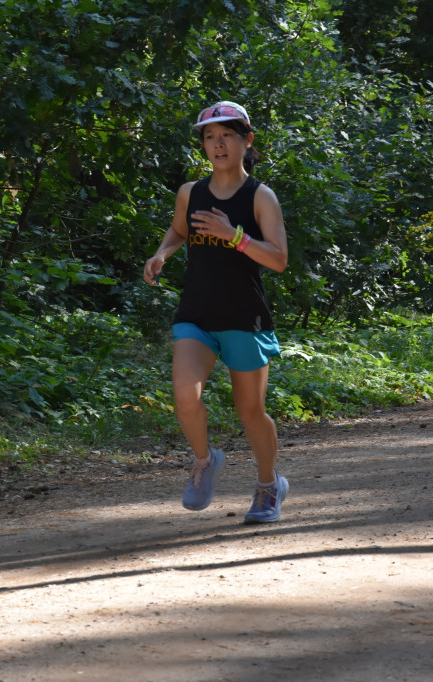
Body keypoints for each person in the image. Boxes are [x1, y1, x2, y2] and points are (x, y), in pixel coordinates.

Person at [143, 101, 289, 523]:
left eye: (227, 135)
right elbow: (179, 229)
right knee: (185, 398)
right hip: (197, 313)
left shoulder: (260, 197)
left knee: (250, 412)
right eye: (210, 137)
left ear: (247, 141)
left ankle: (268, 485)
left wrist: (234, 236)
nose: (218, 144)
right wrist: (162, 254)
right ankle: (205, 460)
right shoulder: (191, 192)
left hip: (244, 315)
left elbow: (278, 259)